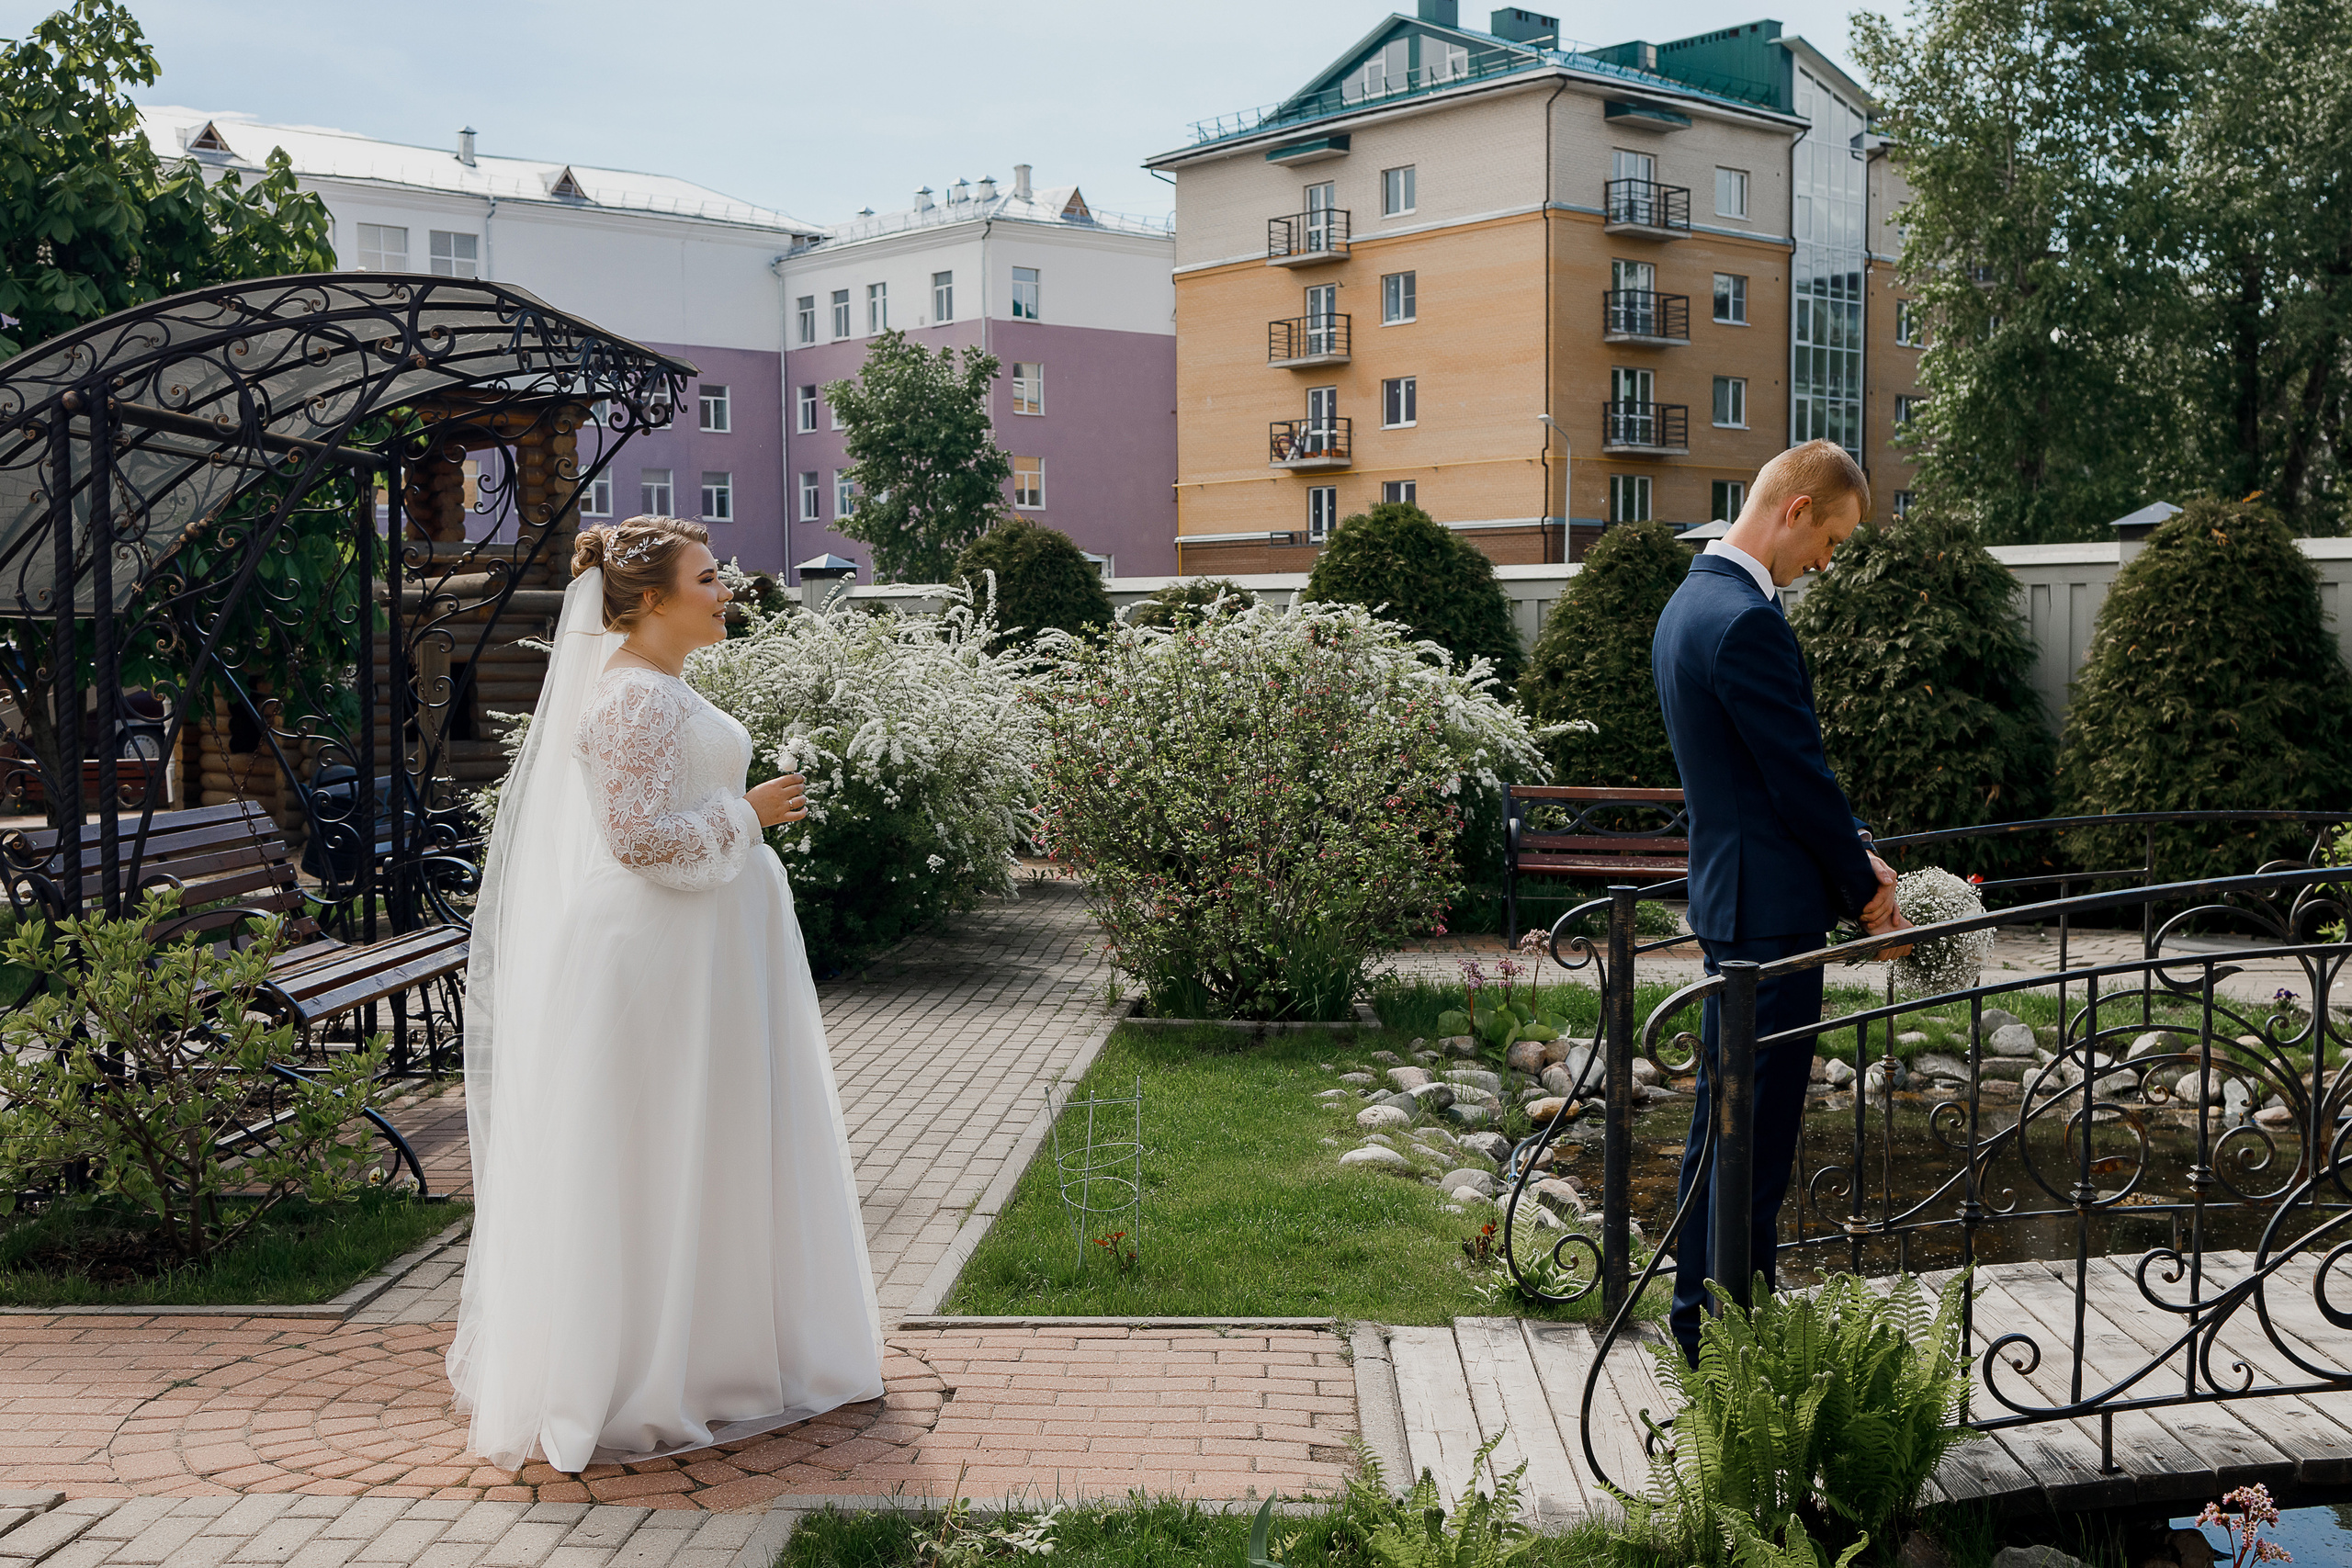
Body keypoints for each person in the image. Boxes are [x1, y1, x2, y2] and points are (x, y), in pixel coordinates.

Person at [448, 515, 883, 1472]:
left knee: (710, 1139)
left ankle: (716, 1355)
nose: (726, 592)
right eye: (708, 578)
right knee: (660, 1145)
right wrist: (747, 814)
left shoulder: (663, 685)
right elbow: (638, 838)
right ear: (650, 599)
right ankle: (648, 1374)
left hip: (702, 950)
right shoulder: (634, 699)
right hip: (658, 956)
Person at [1650, 440, 1912, 1364]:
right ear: (1796, 510)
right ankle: (1730, 1347)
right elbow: (1798, 780)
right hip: (1769, 923)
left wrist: (1857, 853)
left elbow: (1771, 779)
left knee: (1719, 1136)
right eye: (1831, 540)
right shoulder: (1746, 621)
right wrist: (1867, 892)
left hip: (1734, 908)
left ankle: (1699, 1328)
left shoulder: (1688, 605)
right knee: (1752, 1150)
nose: (1826, 563)